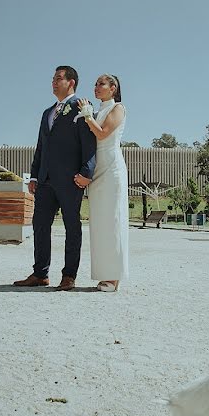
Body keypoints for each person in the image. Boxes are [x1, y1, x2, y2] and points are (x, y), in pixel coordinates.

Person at [13, 65, 97, 290]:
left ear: (71, 82)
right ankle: (40, 274)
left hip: (71, 180)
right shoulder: (47, 113)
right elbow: (41, 147)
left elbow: (89, 143)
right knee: (39, 225)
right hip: (45, 180)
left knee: (72, 226)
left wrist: (86, 173)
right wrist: (34, 176)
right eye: (53, 78)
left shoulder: (82, 107)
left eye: (58, 78)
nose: (53, 82)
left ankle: (69, 276)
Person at [76, 74, 129, 292]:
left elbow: (103, 134)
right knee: (100, 224)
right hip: (97, 168)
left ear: (113, 88)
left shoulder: (118, 109)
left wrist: (87, 115)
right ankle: (103, 273)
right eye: (95, 84)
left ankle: (114, 277)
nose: (96, 87)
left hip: (112, 169)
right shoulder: (98, 111)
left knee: (113, 220)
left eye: (101, 84)